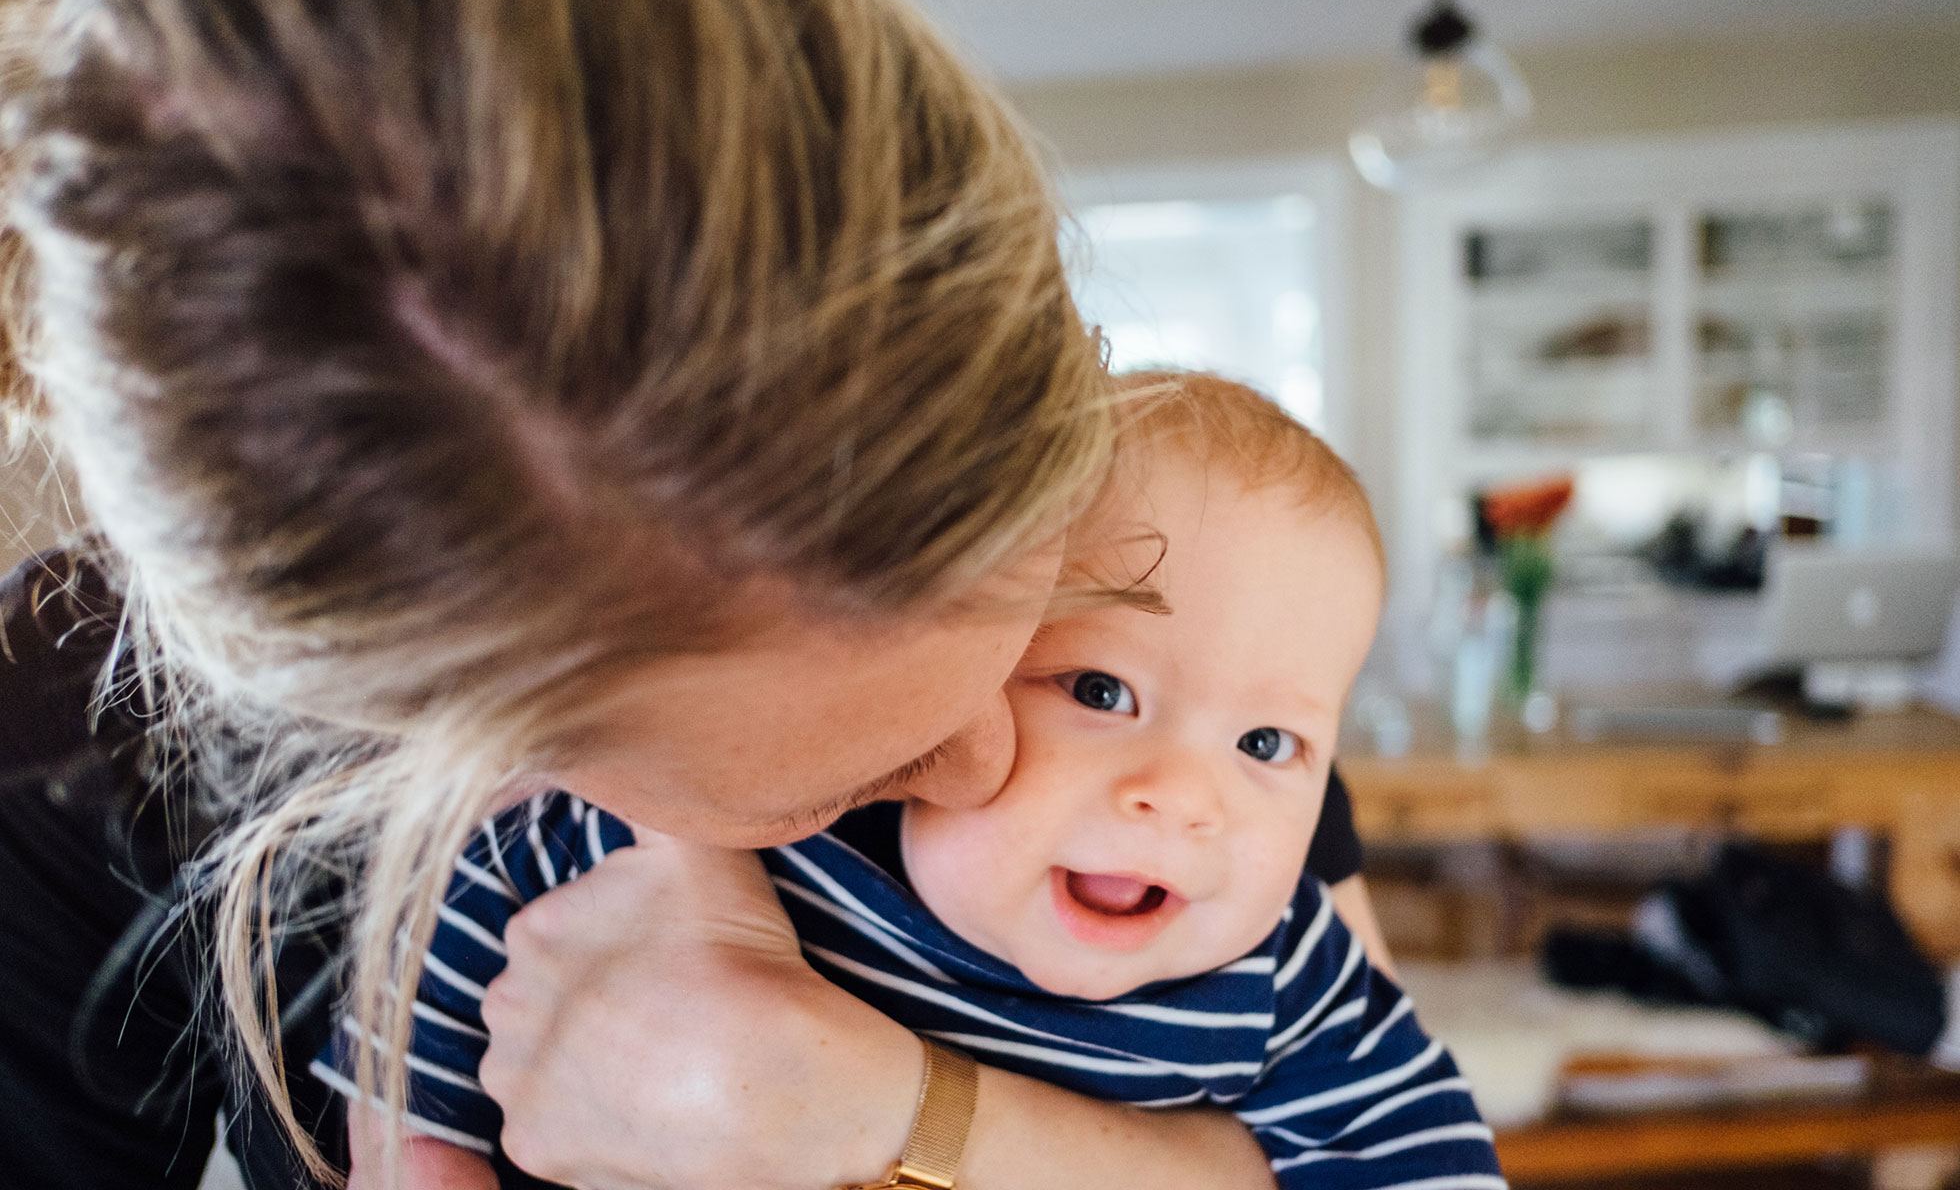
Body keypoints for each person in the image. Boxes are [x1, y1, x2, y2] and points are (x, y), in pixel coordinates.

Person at [0, 0, 1385, 1188]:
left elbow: (1377, 1129)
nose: (992, 761)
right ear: (465, 748)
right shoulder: (54, 774)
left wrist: (898, 1111)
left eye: (1040, 640)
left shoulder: (1189, 635)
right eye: (845, 778)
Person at [323, 374, 1501, 1190]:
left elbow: (1421, 1160)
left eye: (1265, 747)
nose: (1183, 796)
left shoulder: (1280, 967)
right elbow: (437, 975)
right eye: (1097, 692)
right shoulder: (777, 820)